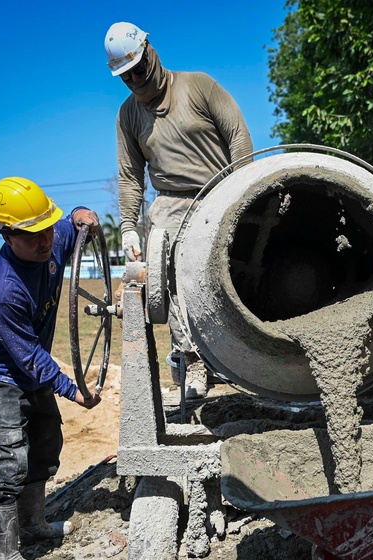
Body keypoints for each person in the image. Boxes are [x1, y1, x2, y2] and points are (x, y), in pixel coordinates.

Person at [0, 177, 103, 560]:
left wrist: (80, 215)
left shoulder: (49, 238)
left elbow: (72, 222)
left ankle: (34, 522)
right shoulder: (1, 290)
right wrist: (74, 390)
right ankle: (0, 555)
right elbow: (30, 358)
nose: (44, 242)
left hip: (27, 365)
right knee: (8, 460)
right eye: (32, 235)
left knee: (44, 441)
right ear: (6, 233)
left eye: (46, 230)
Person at [105, 20, 253, 398]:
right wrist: (127, 227)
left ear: (150, 51)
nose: (135, 79)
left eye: (138, 69)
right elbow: (129, 176)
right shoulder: (128, 117)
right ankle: (193, 363)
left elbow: (238, 136)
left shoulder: (198, 86)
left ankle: (256, 353)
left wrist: (243, 193)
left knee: (244, 268)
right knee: (167, 275)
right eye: (126, 77)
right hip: (170, 204)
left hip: (220, 192)